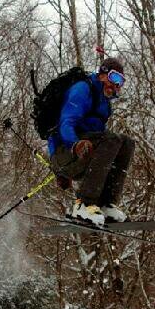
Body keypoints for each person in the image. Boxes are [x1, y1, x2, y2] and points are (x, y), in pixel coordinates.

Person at [48, 57, 135, 225]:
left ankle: (107, 204)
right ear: (102, 74)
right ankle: (84, 204)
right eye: (114, 78)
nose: (116, 85)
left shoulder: (105, 104)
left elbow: (103, 144)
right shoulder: (82, 90)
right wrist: (75, 145)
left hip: (82, 155)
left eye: (121, 81)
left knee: (126, 142)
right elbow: (66, 123)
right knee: (111, 139)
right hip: (64, 152)